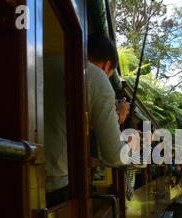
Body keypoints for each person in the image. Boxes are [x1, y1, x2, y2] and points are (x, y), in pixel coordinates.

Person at [44, 35, 134, 207]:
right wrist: (131, 138)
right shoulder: (96, 76)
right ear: (107, 65)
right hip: (52, 188)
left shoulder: (42, 61)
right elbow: (115, 156)